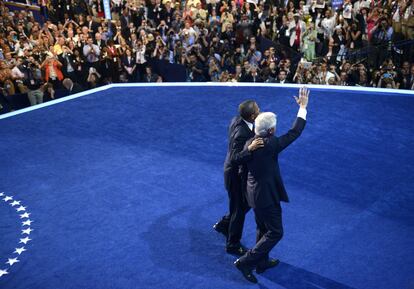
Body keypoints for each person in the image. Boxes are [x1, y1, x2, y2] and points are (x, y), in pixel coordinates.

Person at [234, 87, 310, 283]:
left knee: (261, 227)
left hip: (253, 194)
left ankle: (262, 261)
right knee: (276, 232)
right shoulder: (271, 144)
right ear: (270, 131)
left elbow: (239, 162)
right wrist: (302, 108)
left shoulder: (249, 143)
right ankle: (246, 261)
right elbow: (294, 132)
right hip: (266, 197)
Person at [213, 100, 264, 255]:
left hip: (236, 172)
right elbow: (236, 157)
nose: (260, 110)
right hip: (235, 175)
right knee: (239, 209)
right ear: (252, 116)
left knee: (243, 205)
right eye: (258, 109)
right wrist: (249, 149)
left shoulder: (237, 120)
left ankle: (224, 224)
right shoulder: (242, 133)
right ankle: (233, 245)